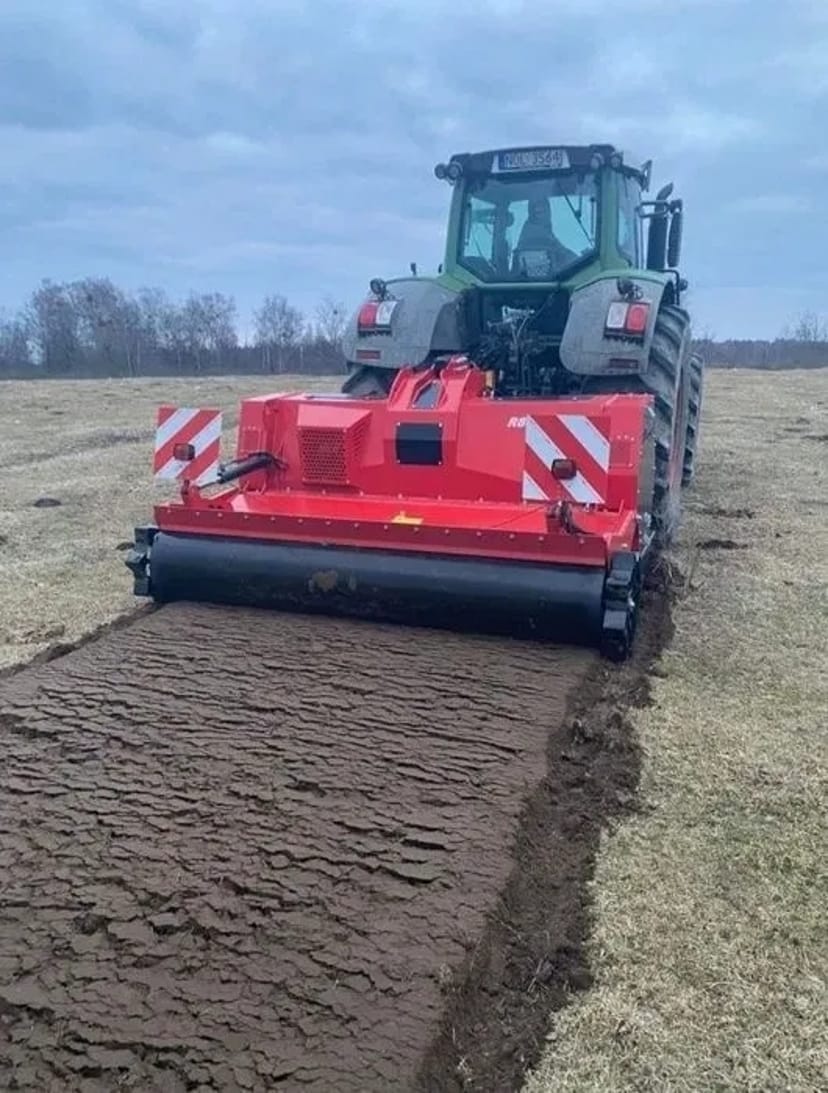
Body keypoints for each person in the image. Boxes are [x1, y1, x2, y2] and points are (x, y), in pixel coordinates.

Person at [512, 196, 578, 276]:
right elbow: (561, 254)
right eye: (537, 211)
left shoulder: (545, 232)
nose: (539, 211)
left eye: (543, 210)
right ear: (532, 213)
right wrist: (581, 261)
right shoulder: (533, 233)